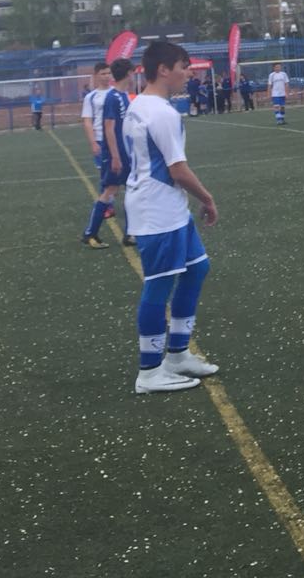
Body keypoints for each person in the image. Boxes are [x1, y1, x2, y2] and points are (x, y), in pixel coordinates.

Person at [123, 40, 221, 393]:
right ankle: (149, 372)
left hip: (167, 207)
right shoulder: (161, 113)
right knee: (159, 284)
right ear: (163, 70)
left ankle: (177, 354)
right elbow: (177, 169)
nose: (188, 72)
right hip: (157, 211)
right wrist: (207, 198)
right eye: (182, 66)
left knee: (197, 268)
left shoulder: (140, 106)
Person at [84, 58, 136, 249]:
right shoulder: (113, 98)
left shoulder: (122, 95)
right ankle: (90, 234)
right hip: (115, 153)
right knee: (110, 191)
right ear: (128, 74)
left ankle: (130, 233)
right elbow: (109, 127)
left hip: (125, 152)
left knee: (131, 189)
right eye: (133, 72)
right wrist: (115, 156)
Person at [79, 64, 111, 235]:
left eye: (108, 73)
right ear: (96, 75)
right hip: (100, 139)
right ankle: (107, 206)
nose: (106, 76)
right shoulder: (91, 97)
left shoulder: (117, 93)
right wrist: (93, 142)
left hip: (117, 140)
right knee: (104, 175)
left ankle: (108, 203)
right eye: (103, 73)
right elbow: (87, 120)